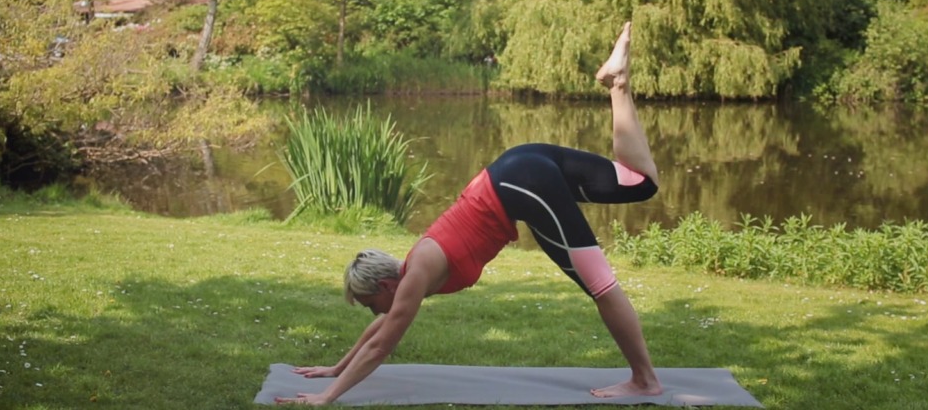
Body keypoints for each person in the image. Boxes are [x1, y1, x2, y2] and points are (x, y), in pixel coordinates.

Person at [275, 22, 664, 405]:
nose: (371, 312)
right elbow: (380, 328)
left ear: (385, 287)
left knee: (600, 284)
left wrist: (325, 398)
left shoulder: (417, 272)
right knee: (642, 182)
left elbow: (381, 344)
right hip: (521, 168)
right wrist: (337, 368)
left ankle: (645, 381)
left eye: (368, 304)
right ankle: (618, 84)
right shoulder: (413, 272)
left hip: (521, 184)